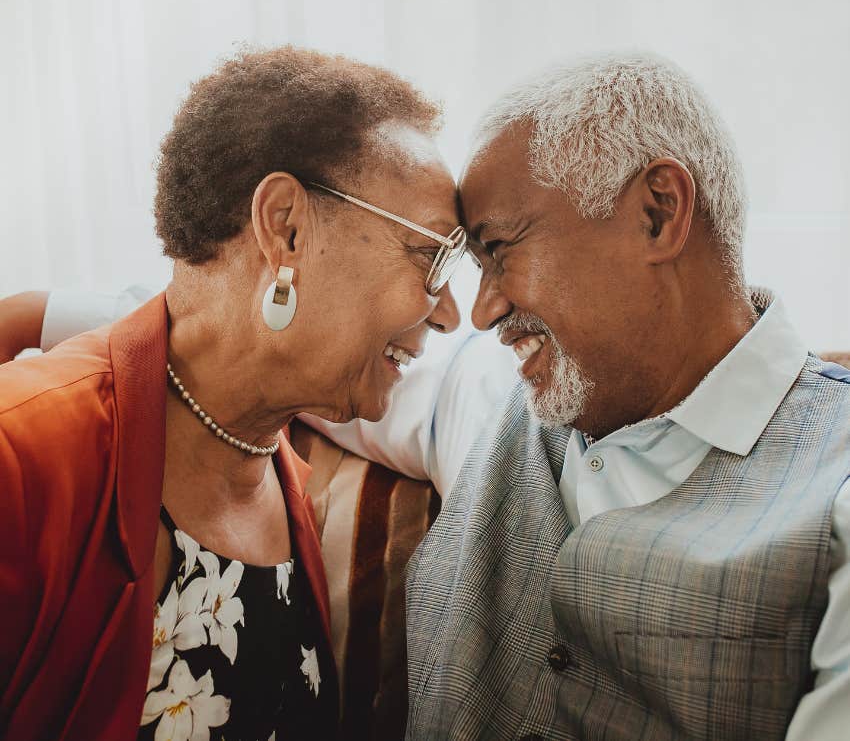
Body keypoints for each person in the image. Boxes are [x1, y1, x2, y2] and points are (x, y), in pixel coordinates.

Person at [5, 53, 850, 741]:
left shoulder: (837, 481)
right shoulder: (501, 395)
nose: (473, 313)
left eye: (495, 251)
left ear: (659, 213)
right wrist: (33, 329)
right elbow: (230, 334)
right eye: (444, 262)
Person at [0, 45, 464, 741]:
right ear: (286, 227)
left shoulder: (279, 474)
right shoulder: (21, 453)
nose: (451, 311)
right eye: (433, 258)